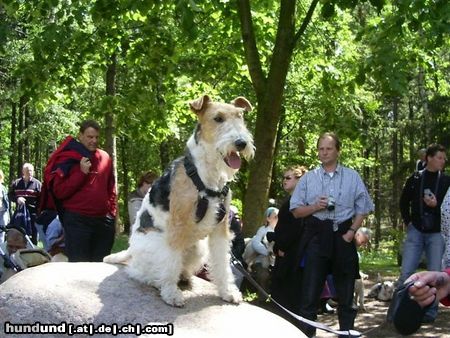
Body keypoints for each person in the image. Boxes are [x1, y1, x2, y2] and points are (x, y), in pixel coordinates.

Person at [290, 132, 374, 338]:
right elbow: (295, 210)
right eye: (321, 149)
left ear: (338, 151)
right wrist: (314, 207)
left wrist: (352, 232)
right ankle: (306, 334)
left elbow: (363, 207)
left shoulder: (352, 176)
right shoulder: (309, 178)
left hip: (343, 236)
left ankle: (346, 333)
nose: (324, 152)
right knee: (309, 295)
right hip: (317, 237)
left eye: (329, 148)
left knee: (346, 295)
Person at [51, 119, 117, 262]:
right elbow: (59, 191)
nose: (94, 141)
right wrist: (81, 173)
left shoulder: (105, 157)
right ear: (80, 136)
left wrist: (112, 213)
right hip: (77, 222)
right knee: (79, 268)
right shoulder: (68, 158)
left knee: (101, 266)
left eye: (96, 137)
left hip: (103, 222)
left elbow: (111, 188)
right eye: (90, 137)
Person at [398, 143, 449, 323]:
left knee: (435, 274)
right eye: (440, 157)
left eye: (444, 158)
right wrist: (408, 222)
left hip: (436, 234)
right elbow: (403, 202)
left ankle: (430, 313)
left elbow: (447, 211)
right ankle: (397, 311)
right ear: (429, 158)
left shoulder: (446, 181)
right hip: (416, 231)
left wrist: (435, 207)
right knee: (406, 273)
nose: (443, 161)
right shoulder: (415, 178)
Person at [270, 165, 308, 312]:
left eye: (288, 178)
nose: (284, 181)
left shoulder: (299, 202)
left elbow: (296, 229)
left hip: (292, 258)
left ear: (300, 180)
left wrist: (282, 247)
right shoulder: (292, 200)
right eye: (283, 177)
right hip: (286, 256)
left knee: (288, 300)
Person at [248, 207, 279, 302]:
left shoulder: (279, 230)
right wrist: (267, 252)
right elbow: (256, 243)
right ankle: (262, 298)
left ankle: (275, 299)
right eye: (275, 217)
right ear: (268, 218)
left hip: (275, 262)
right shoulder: (262, 230)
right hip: (261, 260)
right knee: (263, 274)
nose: (278, 219)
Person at [9, 163, 41, 244]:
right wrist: (17, 199)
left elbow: (42, 199)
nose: (29, 173)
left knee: (33, 235)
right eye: (27, 171)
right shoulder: (16, 183)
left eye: (31, 171)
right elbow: (10, 195)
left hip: (33, 214)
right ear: (23, 172)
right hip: (20, 214)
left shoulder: (37, 184)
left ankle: (33, 252)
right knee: (19, 234)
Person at [0, 169, 10, 242]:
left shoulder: (3, 188)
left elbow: (7, 203)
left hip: (3, 213)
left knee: (2, 233)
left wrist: (8, 215)